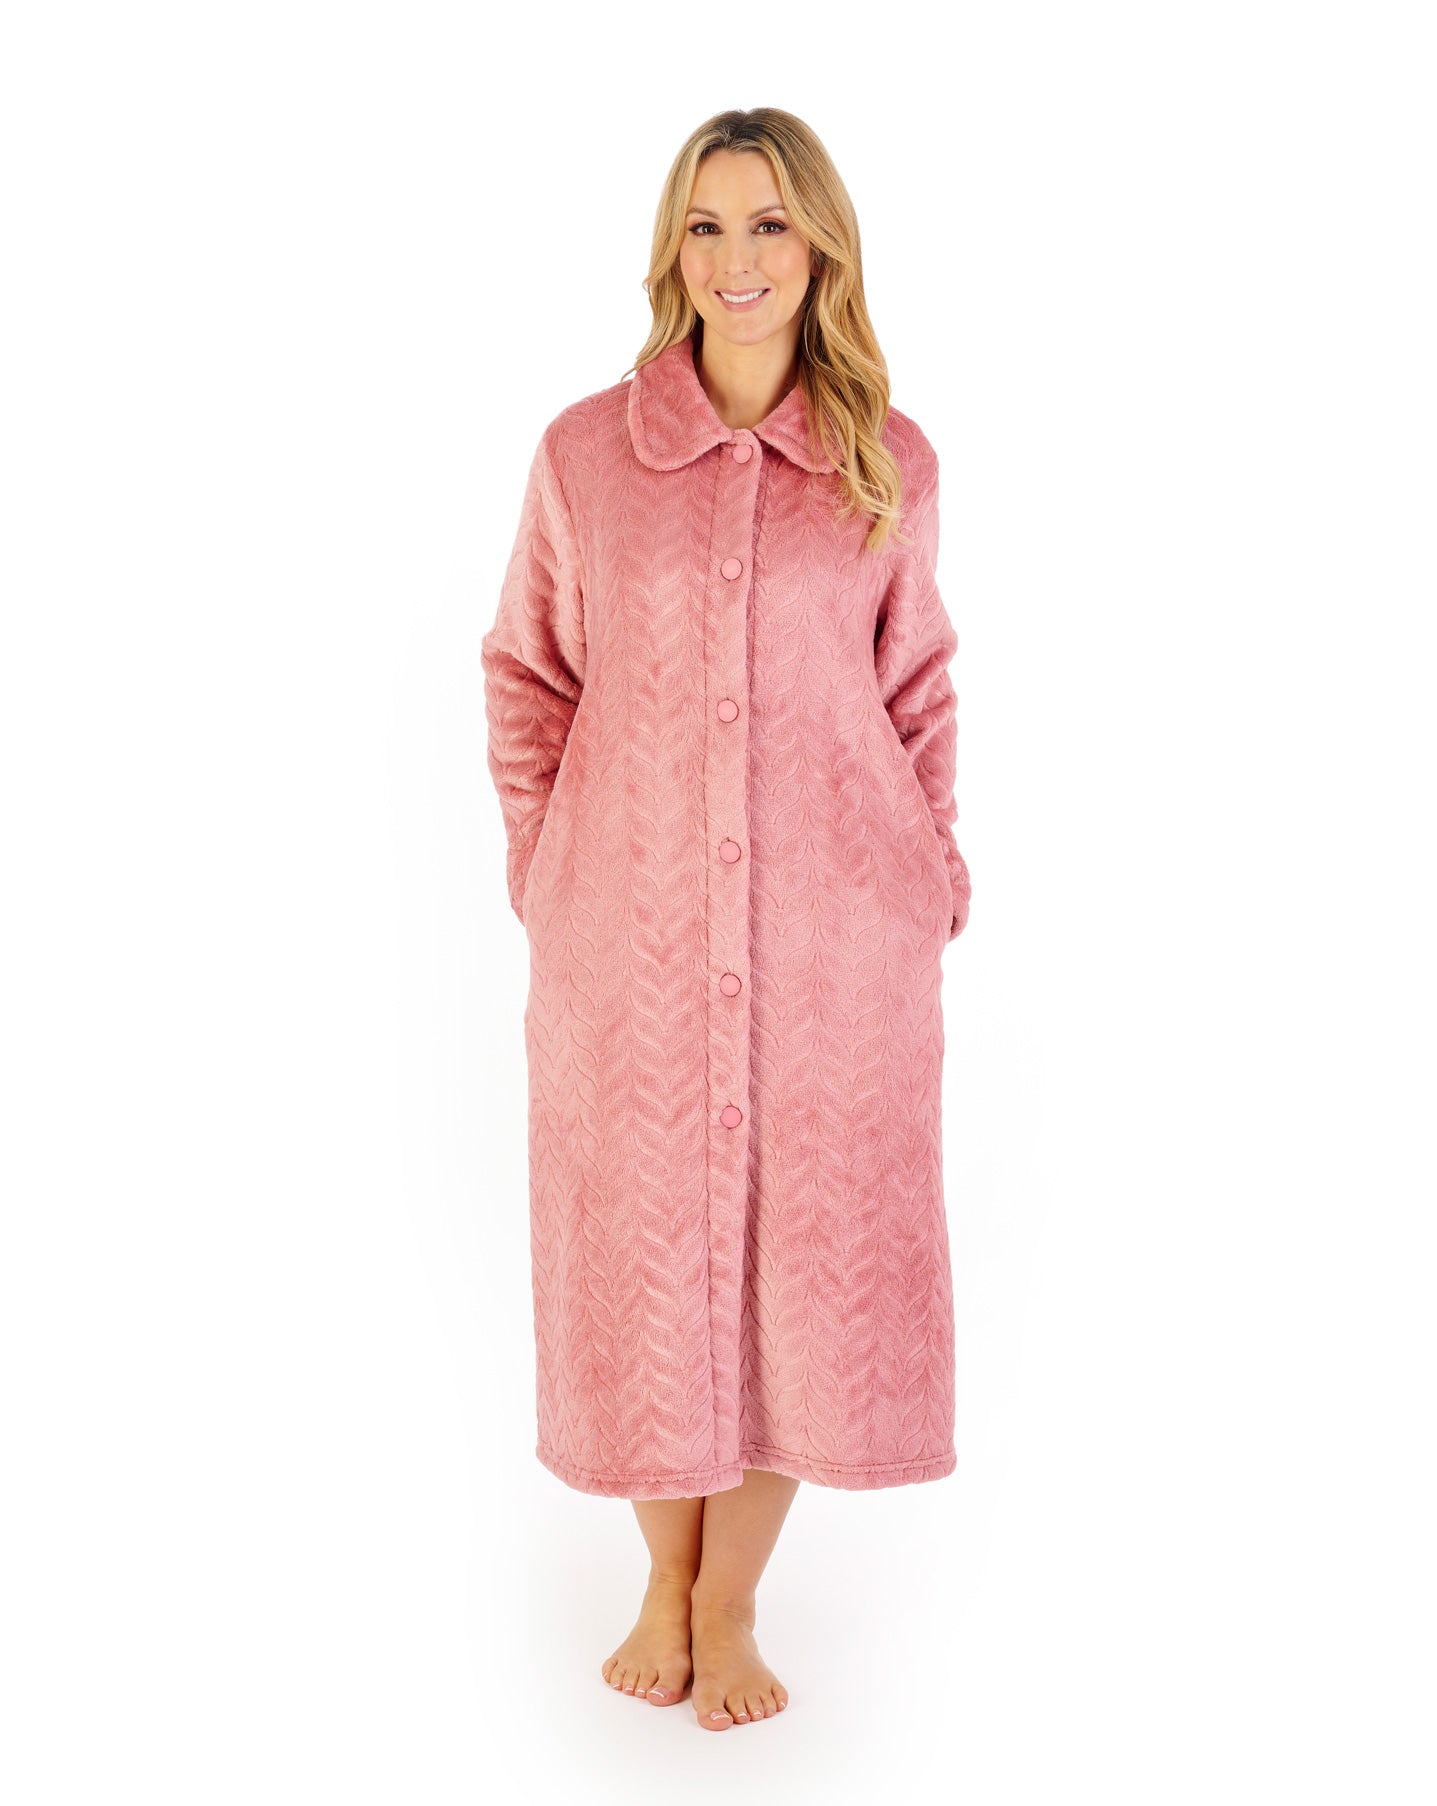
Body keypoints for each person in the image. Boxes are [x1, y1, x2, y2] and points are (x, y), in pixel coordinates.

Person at [481, 107, 973, 1732]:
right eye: (706, 226)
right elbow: (527, 674)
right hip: (624, 942)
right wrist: (549, 869)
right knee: (642, 1244)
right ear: (670, 250)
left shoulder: (885, 460)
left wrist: (931, 873)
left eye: (768, 225)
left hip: (837, 945)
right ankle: (658, 1573)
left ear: (818, 247)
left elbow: (917, 688)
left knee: (798, 1265)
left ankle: (728, 1594)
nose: (736, 259)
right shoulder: (585, 457)